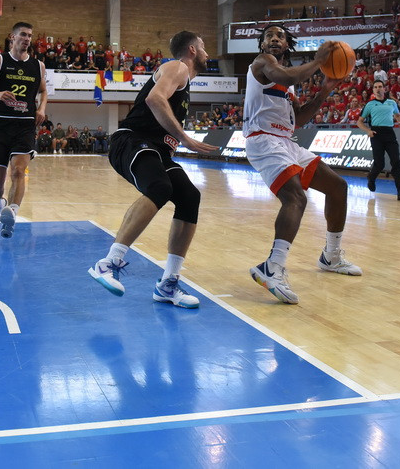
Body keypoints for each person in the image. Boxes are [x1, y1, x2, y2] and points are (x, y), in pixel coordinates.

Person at [88, 30, 219, 309]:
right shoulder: (177, 67)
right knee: (159, 187)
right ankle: (108, 263)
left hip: (156, 150)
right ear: (192, 50)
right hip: (132, 140)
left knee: (189, 197)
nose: (208, 53)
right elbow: (154, 99)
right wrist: (185, 138)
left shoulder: (185, 82)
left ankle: (168, 284)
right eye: (203, 47)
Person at [243, 25, 361, 306]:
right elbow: (286, 75)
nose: (274, 38)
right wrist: (320, 60)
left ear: (287, 45)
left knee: (338, 187)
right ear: (262, 44)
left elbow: (298, 120)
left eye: (280, 36)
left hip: (285, 141)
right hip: (263, 139)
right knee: (295, 197)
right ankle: (272, 266)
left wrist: (324, 91)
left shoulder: (289, 82)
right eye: (269, 36)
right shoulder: (263, 63)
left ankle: (331, 256)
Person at [0, 21, 47, 238]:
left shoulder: (38, 66)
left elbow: (43, 91)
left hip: (25, 124)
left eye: (29, 35)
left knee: (18, 171)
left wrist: (41, 108)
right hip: (1, 124)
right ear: (12, 37)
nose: (27, 39)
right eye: (23, 34)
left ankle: (12, 213)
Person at [357, 79, 400, 200]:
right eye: (375, 87)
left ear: (384, 89)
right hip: (376, 134)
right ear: (373, 90)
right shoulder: (369, 105)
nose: (378, 89)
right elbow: (359, 122)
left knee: (396, 161)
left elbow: (397, 115)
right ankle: (371, 177)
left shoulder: (391, 102)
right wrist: (368, 131)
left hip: (389, 133)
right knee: (379, 164)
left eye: (380, 86)